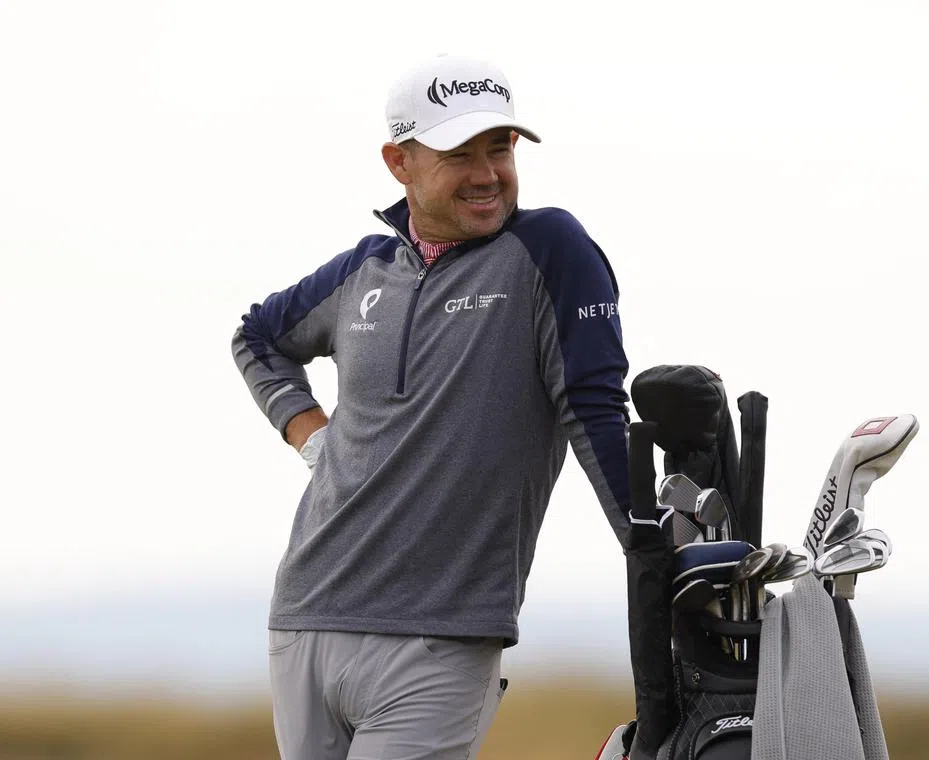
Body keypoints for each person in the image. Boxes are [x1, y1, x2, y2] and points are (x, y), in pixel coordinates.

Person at [231, 53, 632, 760]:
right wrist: (311, 437)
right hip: (305, 618)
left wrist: (653, 550)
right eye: (459, 154)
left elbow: (594, 410)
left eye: (500, 148)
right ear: (400, 162)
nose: (487, 174)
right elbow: (258, 336)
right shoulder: (363, 270)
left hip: (441, 635)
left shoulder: (548, 249)